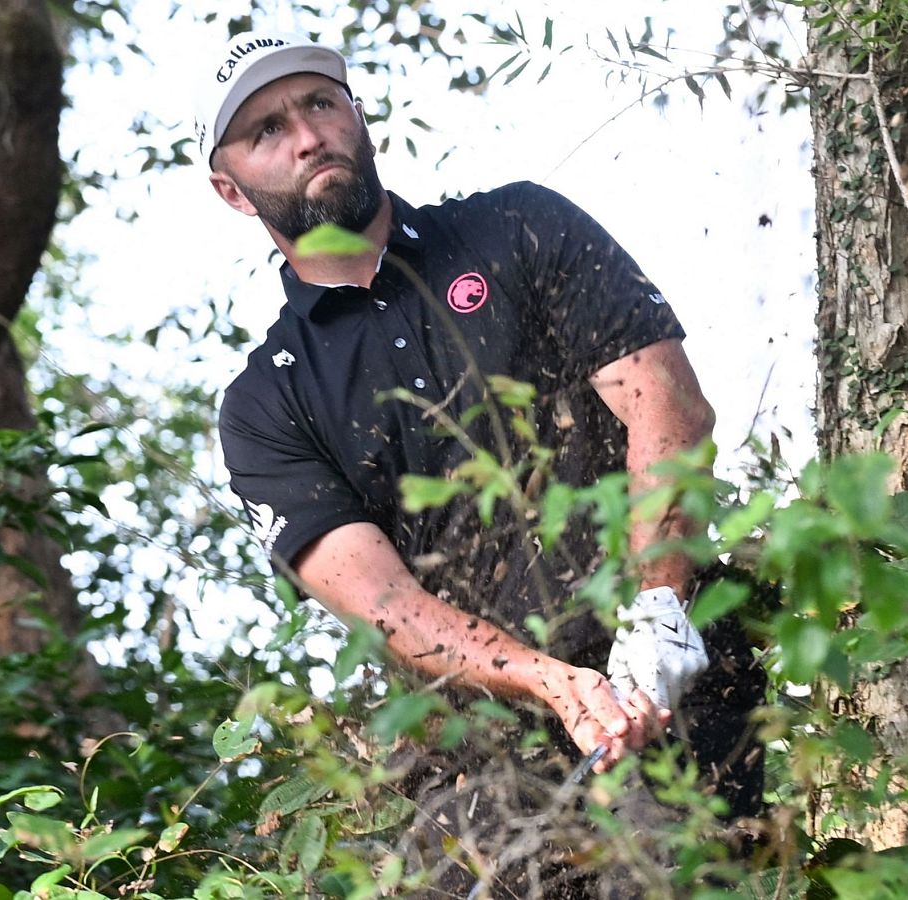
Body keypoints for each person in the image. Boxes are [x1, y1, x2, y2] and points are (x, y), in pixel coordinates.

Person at [195, 31, 764, 896]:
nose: (308, 135)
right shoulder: (266, 404)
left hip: (672, 682)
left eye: (320, 102)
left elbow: (665, 403)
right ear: (232, 190)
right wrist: (552, 685)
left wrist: (657, 604)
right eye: (267, 129)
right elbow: (384, 601)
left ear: (356, 114)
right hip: (477, 769)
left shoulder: (519, 227)